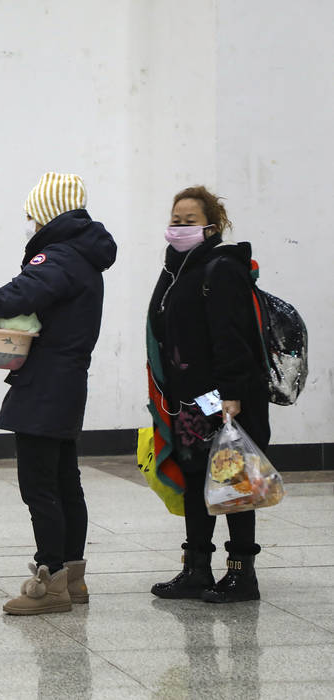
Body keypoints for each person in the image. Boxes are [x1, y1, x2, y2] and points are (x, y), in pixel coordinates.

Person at [0, 172, 117, 615]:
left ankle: (50, 580)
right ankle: (73, 579)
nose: (28, 223)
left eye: (30, 215)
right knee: (64, 482)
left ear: (48, 213)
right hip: (66, 380)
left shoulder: (60, 256)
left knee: (40, 485)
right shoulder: (82, 255)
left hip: (46, 383)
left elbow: (21, 292)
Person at [147, 186, 269, 603]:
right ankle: (197, 568)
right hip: (190, 399)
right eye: (175, 220)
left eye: (189, 221)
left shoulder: (221, 268)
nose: (178, 228)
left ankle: (241, 574)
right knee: (197, 479)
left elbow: (232, 336)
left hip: (224, 397)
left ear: (211, 227)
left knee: (233, 482)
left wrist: (233, 394)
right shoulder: (176, 269)